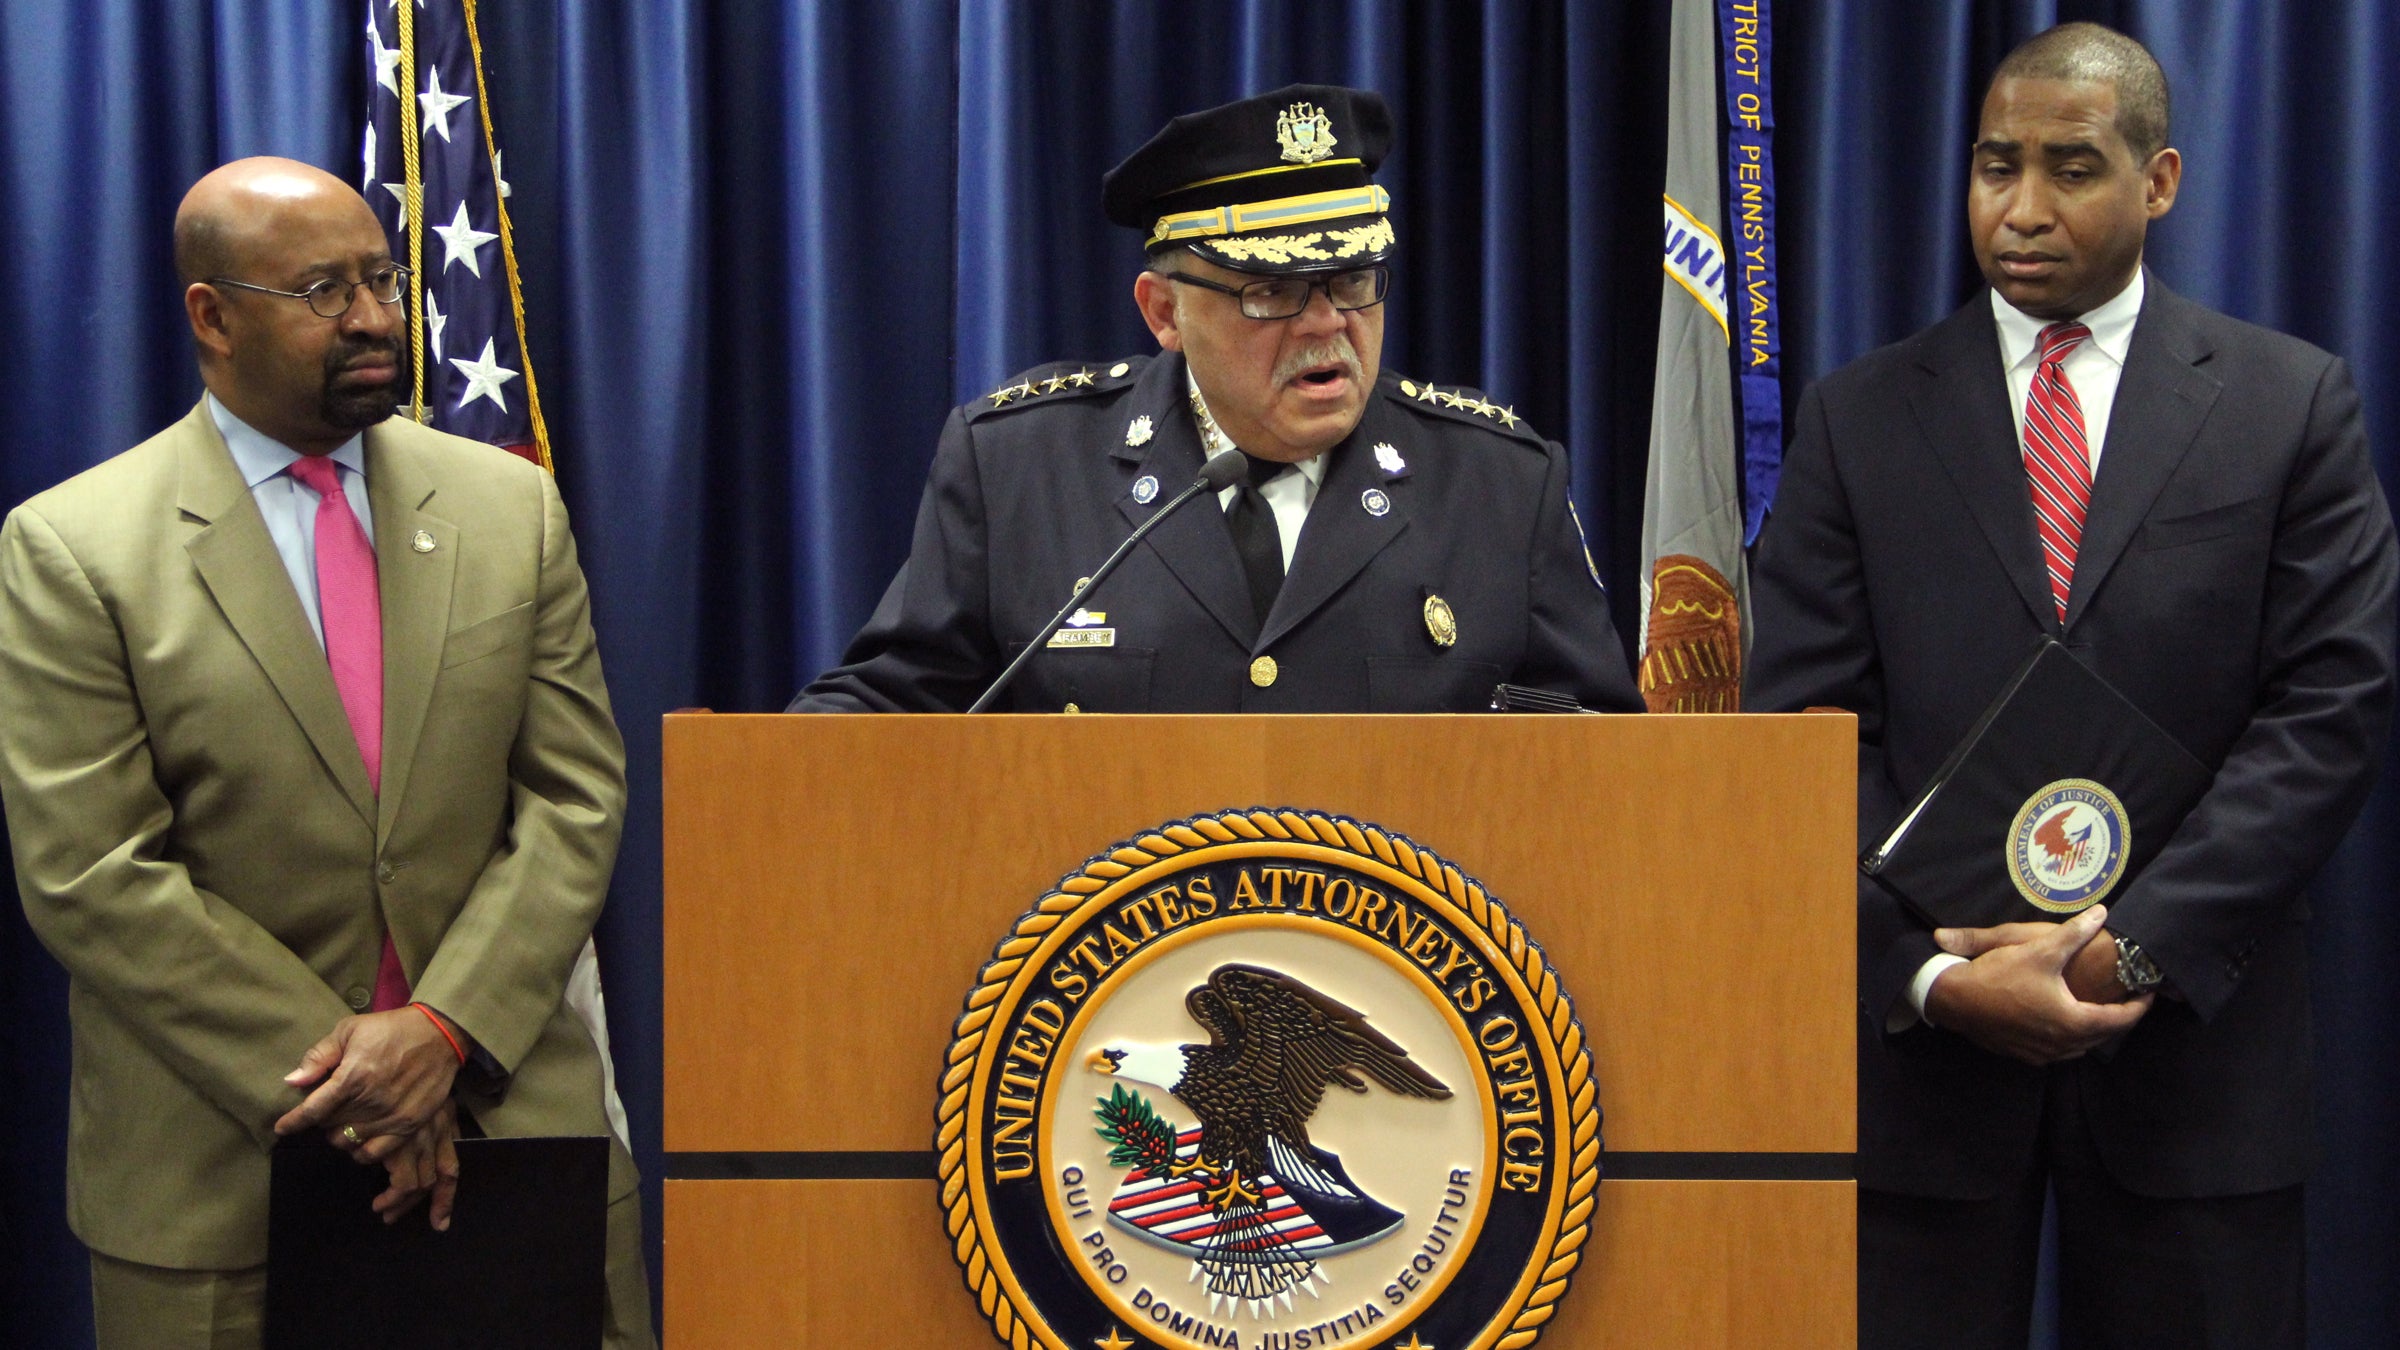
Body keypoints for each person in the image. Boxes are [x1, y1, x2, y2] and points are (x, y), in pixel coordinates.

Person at [1745, 23, 2396, 1349]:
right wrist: (1933, 976)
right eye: (1995, 166)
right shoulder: (1857, 417)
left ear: (2157, 181)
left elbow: (2330, 709)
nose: (2021, 209)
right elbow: (1807, 731)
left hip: (2196, 1077)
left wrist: (2132, 941)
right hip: (1923, 1078)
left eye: (2071, 168)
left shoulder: (2288, 403)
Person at [0, 159, 651, 1347]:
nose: (371, 318)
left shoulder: (512, 510)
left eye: (381, 281)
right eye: (321, 291)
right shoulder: (74, 548)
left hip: (516, 1139)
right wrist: (363, 1089)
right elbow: (92, 876)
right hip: (221, 1184)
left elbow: (575, 798)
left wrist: (444, 1030)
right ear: (212, 313)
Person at [790, 85, 1640, 714]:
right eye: (1274, 291)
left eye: (1351, 281)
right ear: (1165, 312)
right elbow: (886, 715)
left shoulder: (1500, 485)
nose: (1327, 326)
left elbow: (1603, 771)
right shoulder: (1018, 469)